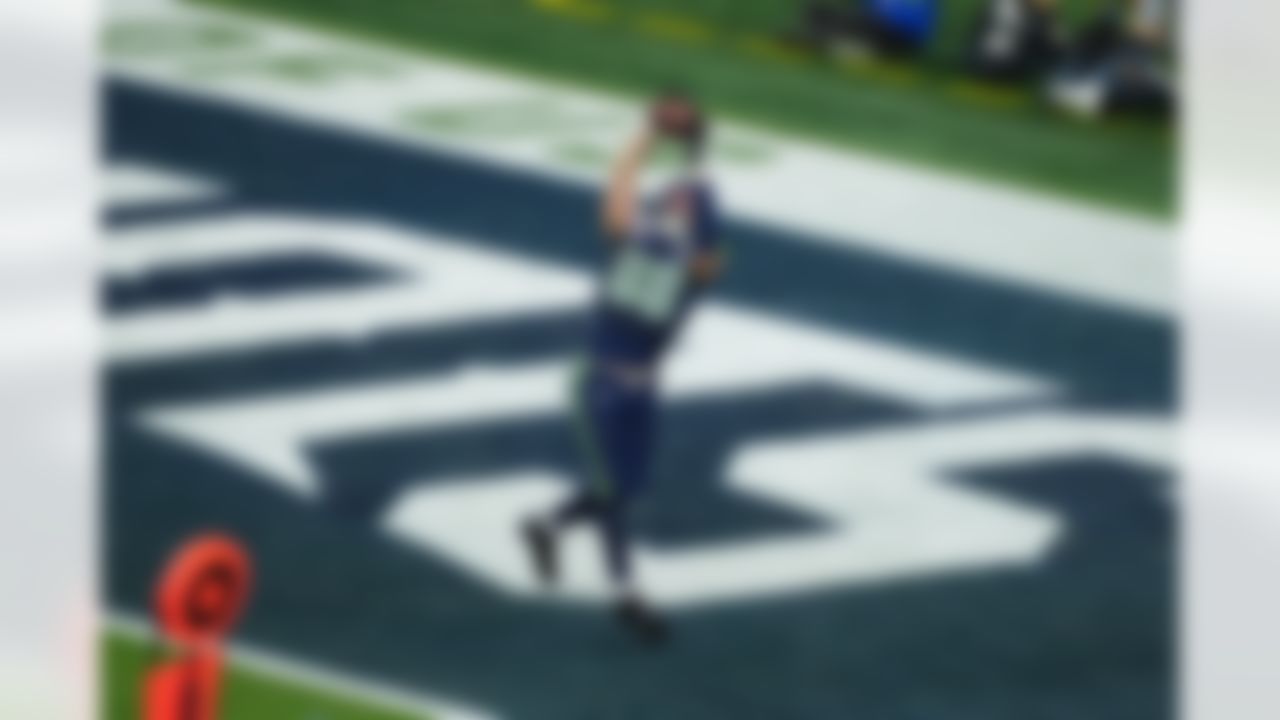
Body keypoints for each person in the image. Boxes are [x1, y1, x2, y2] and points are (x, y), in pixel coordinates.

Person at [521, 91, 726, 644]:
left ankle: (546, 526)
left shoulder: (683, 260)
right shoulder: (650, 245)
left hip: (641, 389)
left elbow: (700, 237)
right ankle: (625, 592)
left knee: (623, 491)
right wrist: (653, 136)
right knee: (611, 490)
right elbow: (622, 189)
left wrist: (683, 145)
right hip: (599, 381)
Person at [789, 0, 940, 60]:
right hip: (874, 25)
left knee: (859, 27)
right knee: (820, 12)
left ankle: (832, 46)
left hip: (899, 34)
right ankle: (841, 47)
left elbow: (914, 23)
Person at [965, 0, 1067, 84]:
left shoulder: (1037, 12)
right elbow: (1040, 37)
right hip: (994, 62)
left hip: (1008, 60)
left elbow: (1055, 40)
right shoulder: (1007, 6)